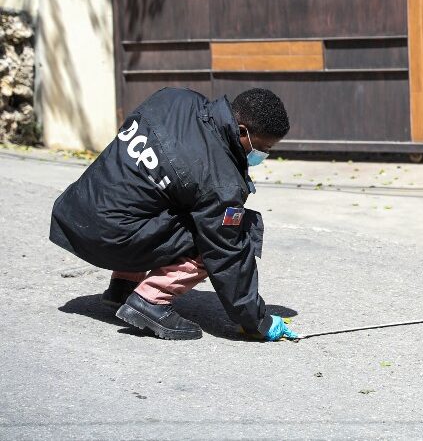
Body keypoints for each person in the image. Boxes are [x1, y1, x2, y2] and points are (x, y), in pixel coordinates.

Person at [50, 87, 299, 341]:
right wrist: (257, 320)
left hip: (77, 212)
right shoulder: (221, 180)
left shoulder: (175, 98)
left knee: (155, 193)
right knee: (230, 230)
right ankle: (149, 301)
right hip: (111, 240)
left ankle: (122, 287)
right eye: (262, 147)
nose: (263, 155)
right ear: (243, 131)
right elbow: (227, 254)